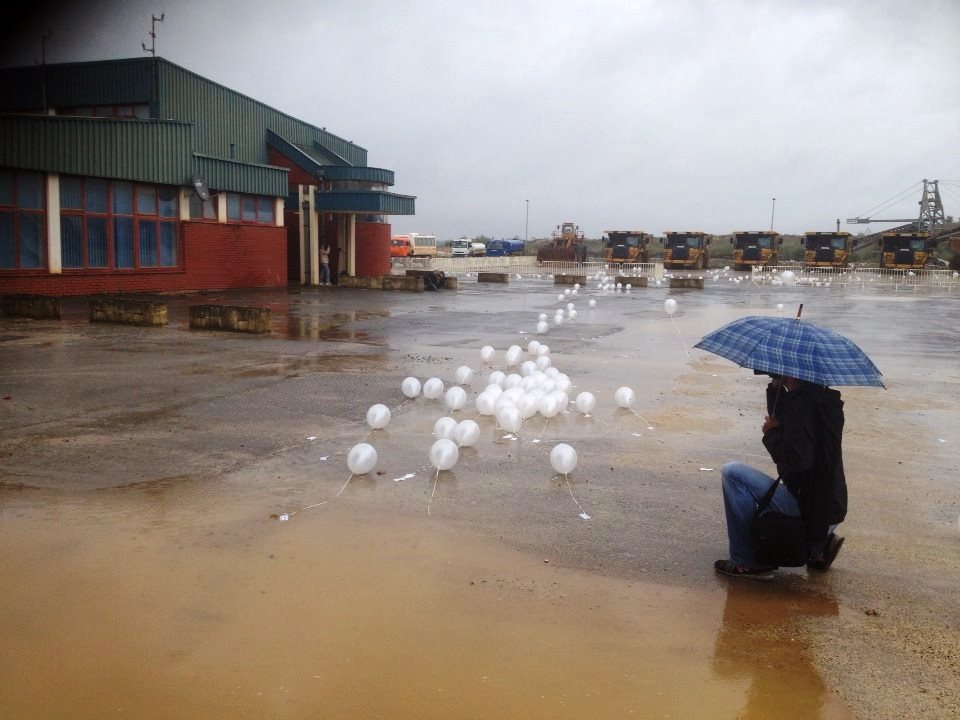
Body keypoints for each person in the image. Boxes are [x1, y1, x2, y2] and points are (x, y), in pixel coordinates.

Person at [715, 374, 847, 580]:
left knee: (733, 473)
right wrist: (776, 386)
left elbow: (798, 462)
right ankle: (819, 548)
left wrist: (771, 435)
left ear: (793, 372)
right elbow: (785, 420)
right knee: (750, 483)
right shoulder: (819, 399)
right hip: (829, 509)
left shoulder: (801, 406)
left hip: (810, 510)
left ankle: (746, 562)